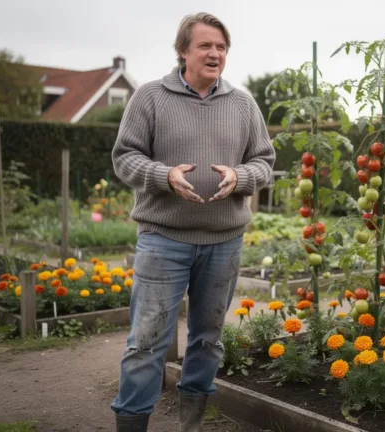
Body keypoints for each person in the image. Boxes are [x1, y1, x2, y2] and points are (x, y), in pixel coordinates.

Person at [109, 12, 275, 432]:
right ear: (183, 51)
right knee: (146, 344)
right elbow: (125, 158)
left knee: (207, 341)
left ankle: (191, 426)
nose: (215, 54)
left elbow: (265, 162)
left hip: (224, 242)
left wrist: (242, 177)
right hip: (164, 239)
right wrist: (163, 176)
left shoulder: (243, 104)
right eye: (205, 46)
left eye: (221, 47)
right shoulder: (149, 98)